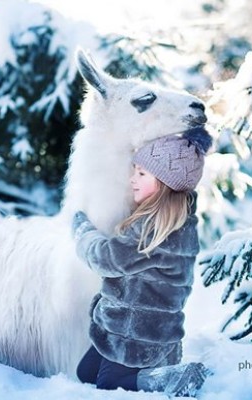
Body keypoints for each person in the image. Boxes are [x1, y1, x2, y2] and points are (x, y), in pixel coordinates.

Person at [71, 128, 212, 397]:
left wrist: (83, 231)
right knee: (85, 373)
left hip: (138, 337)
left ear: (164, 182)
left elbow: (107, 258)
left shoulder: (155, 228)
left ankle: (174, 379)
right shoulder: (173, 222)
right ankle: (155, 371)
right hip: (135, 331)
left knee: (109, 386)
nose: (132, 178)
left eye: (141, 173)